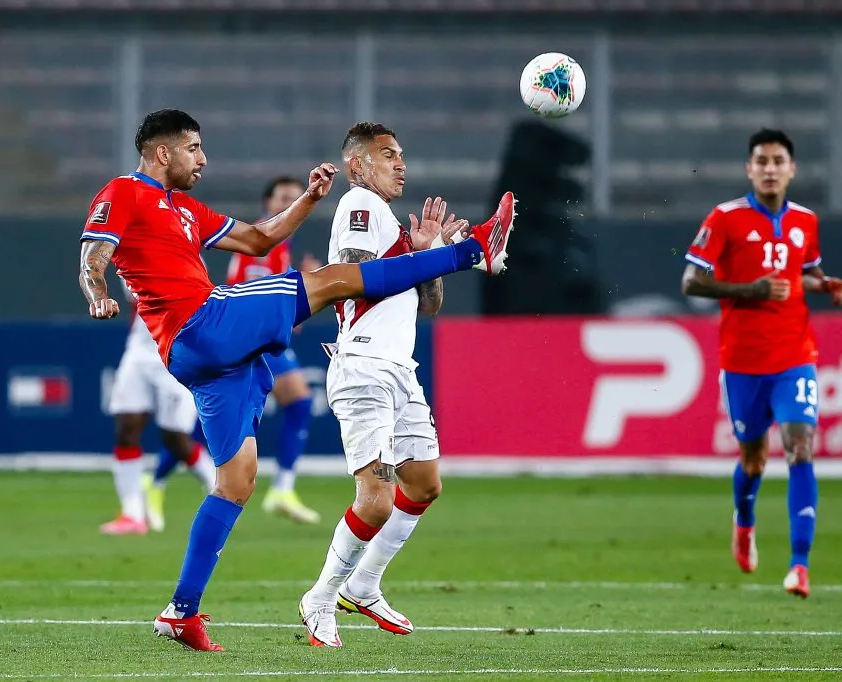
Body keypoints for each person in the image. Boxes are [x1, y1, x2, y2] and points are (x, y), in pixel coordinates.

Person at [78, 108, 515, 651]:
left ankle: (180, 611)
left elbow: (259, 240)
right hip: (203, 321)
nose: (203, 158)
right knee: (330, 281)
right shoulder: (124, 191)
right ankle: (474, 249)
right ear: (163, 152)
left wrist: (307, 199)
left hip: (203, 355)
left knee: (237, 480)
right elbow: (95, 251)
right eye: (194, 147)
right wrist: (96, 290)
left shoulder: (185, 208)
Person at [299, 122, 470, 648]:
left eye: (401, 155)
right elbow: (353, 275)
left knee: (424, 485)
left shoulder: (390, 220)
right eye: (387, 155)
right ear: (358, 165)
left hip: (400, 368)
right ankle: (321, 597)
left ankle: (364, 584)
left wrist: (427, 258)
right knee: (376, 498)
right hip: (364, 367)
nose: (400, 164)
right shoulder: (359, 206)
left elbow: (430, 306)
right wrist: (426, 256)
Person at [681, 128, 842, 599]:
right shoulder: (726, 219)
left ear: (792, 169)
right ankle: (745, 521)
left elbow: (801, 272)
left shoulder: (805, 221)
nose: (771, 168)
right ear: (749, 169)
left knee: (800, 448)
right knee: (753, 461)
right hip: (741, 361)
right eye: (762, 160)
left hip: (795, 355)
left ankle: (800, 566)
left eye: (779, 160)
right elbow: (692, 282)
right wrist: (748, 290)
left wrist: (826, 284)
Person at [226, 176, 321, 524]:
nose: (291, 205)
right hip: (253, 338)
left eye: (298, 199)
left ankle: (282, 488)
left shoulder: (281, 246)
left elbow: (288, 317)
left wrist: (306, 287)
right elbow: (247, 294)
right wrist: (307, 288)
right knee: (294, 402)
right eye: (284, 198)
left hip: (262, 337)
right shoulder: (262, 241)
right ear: (268, 203)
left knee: (287, 404)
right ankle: (280, 488)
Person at [102, 276, 216, 535]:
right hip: (139, 352)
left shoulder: (185, 256)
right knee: (126, 427)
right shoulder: (129, 256)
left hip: (174, 351)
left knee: (176, 438)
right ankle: (132, 515)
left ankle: (218, 490)